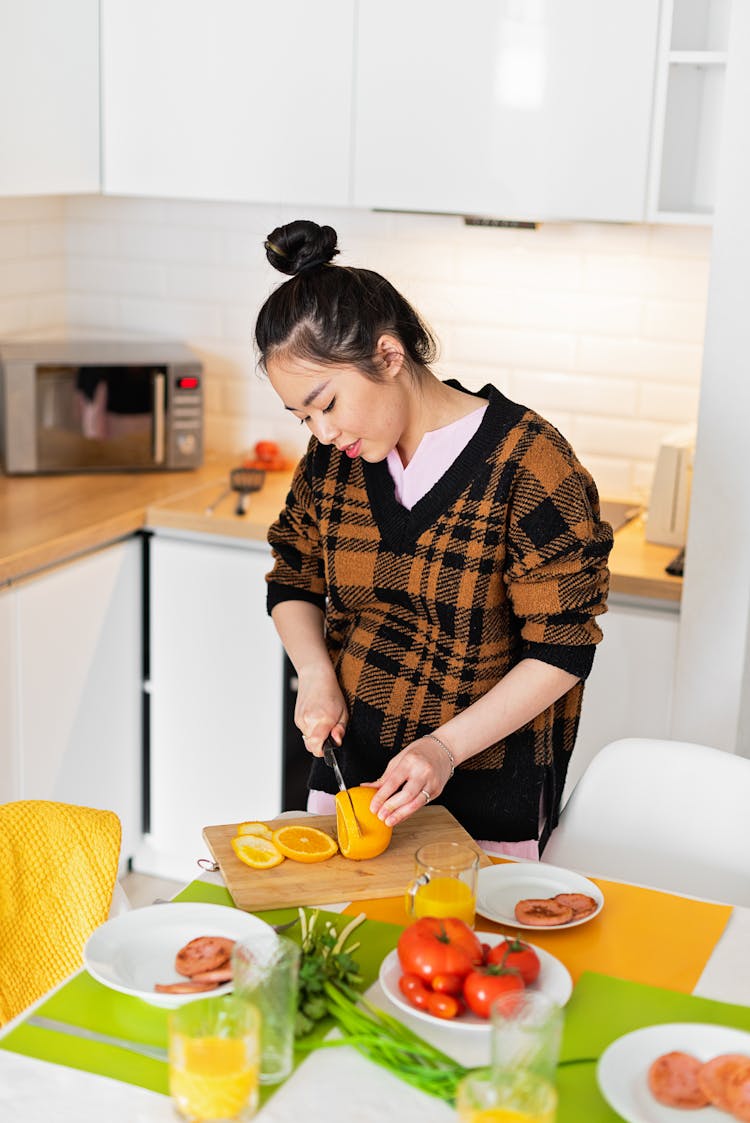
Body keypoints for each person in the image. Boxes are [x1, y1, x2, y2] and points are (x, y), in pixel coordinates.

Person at [256, 219, 613, 856]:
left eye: (327, 403)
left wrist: (444, 749)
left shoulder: (527, 463)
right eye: (302, 416)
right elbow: (294, 578)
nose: (320, 432)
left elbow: (562, 649)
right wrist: (314, 674)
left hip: (485, 788)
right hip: (353, 777)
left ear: (389, 357)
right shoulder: (334, 462)